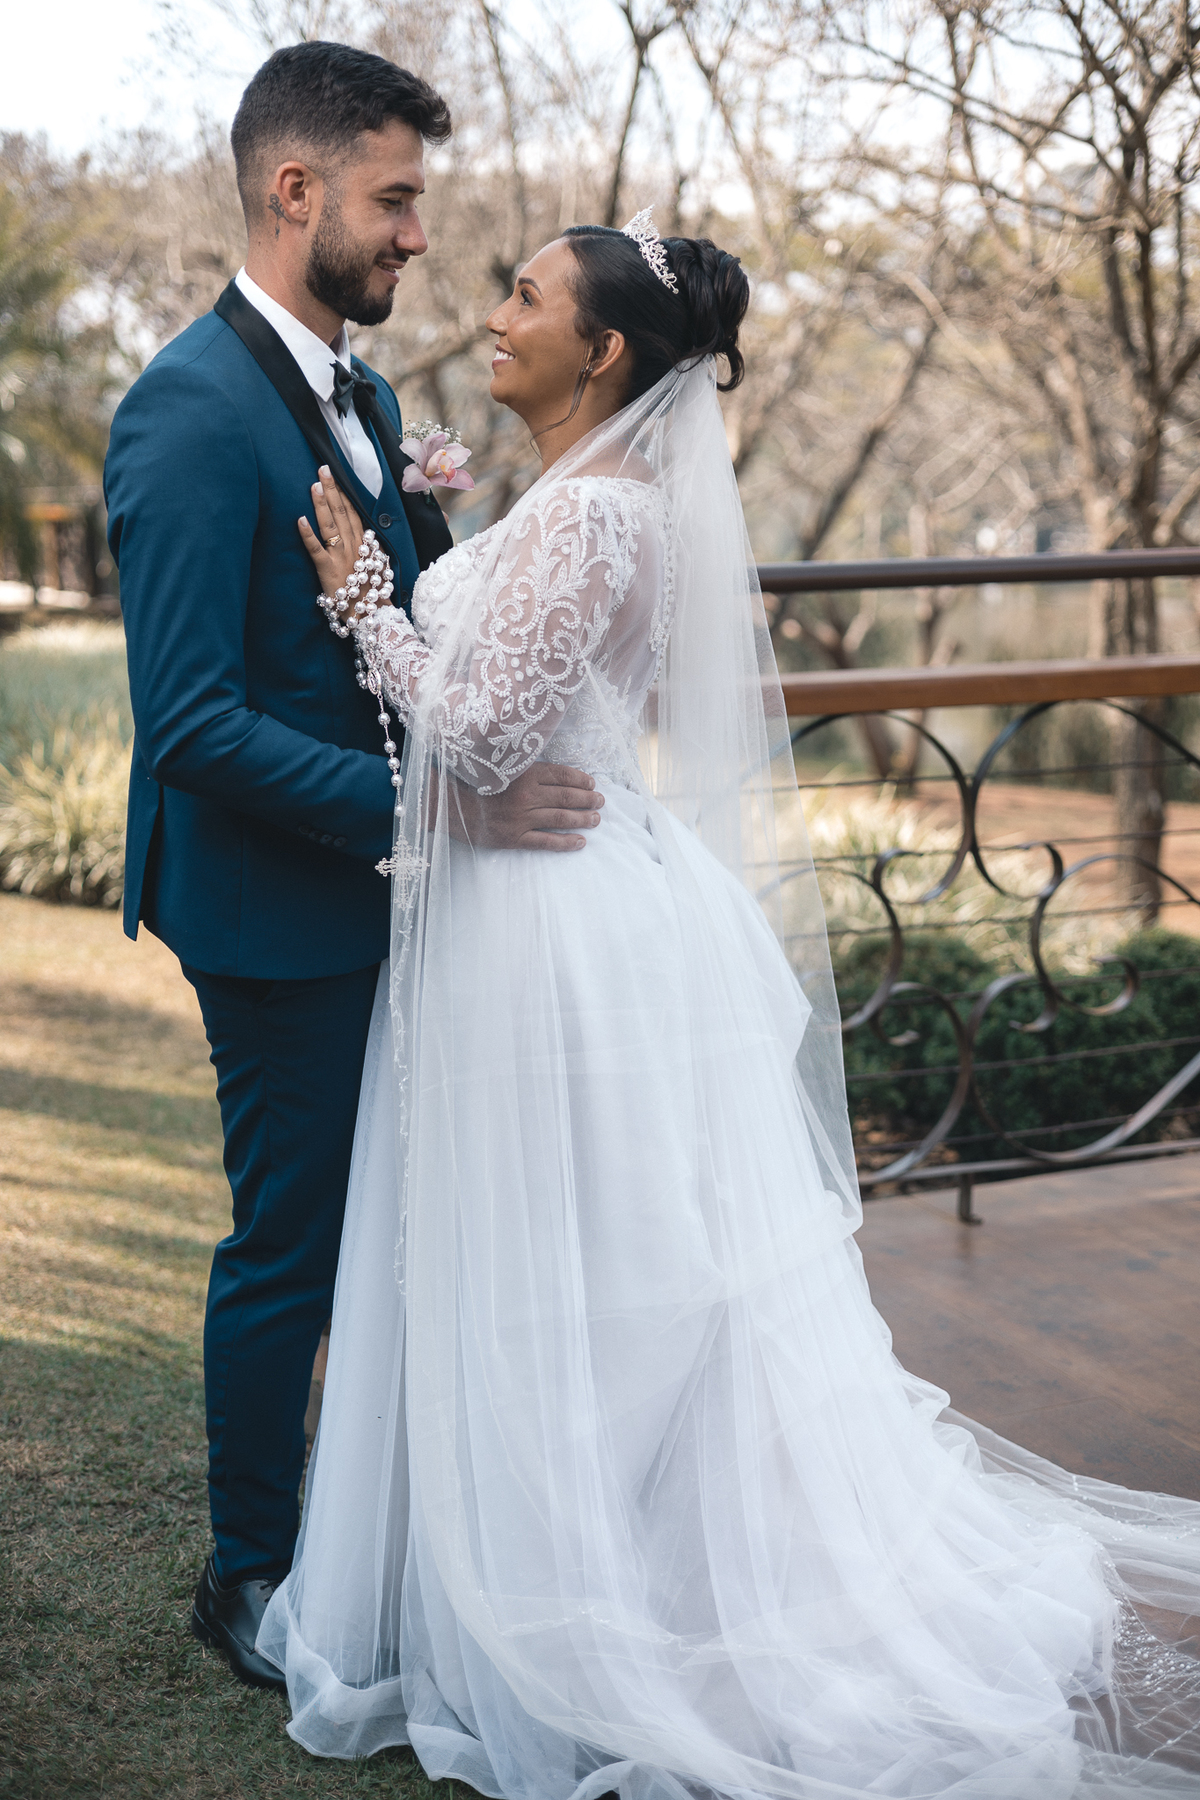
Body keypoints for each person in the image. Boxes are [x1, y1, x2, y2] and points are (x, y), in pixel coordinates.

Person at [256, 212, 1200, 1798]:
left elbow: (482, 740)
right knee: (592, 1256)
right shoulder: (590, 495)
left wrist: (365, 600)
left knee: (576, 1266)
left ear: (604, 350)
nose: (496, 316)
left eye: (527, 297)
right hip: (557, 898)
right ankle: (557, 1556)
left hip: (556, 925)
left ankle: (596, 1594)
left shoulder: (596, 515)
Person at [103, 41, 603, 1694]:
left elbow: (405, 634)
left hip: (402, 894)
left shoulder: (370, 399)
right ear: (295, 188)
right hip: (274, 910)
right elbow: (191, 723)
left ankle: (381, 1528)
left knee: (405, 1229)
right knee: (295, 1246)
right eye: (393, 200)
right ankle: (248, 1570)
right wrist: (436, 814)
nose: (415, 235)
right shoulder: (185, 410)